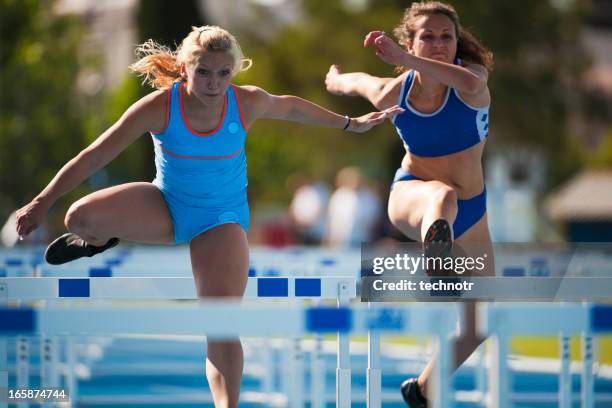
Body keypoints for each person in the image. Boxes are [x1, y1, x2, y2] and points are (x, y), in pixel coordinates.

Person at [14, 25, 403, 408]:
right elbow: (95, 155)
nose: (213, 83)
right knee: (78, 218)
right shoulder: (159, 107)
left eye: (222, 74)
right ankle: (98, 241)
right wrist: (43, 201)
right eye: (203, 72)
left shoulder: (246, 102)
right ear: (185, 68)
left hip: (221, 218)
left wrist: (351, 124)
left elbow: (293, 106)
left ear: (232, 74)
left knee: (219, 323)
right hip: (167, 205)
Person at [324, 2, 494, 406]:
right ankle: (436, 254)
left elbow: (468, 85)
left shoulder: (471, 78)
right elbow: (355, 82)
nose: (438, 44)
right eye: (427, 36)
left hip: (472, 212)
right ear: (410, 40)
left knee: (479, 323)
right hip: (413, 195)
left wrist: (405, 59)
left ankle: (422, 390)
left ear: (456, 43)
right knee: (442, 196)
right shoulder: (391, 92)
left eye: (445, 36)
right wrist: (334, 79)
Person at [325, 166, 382, 247]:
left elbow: (375, 220)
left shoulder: (369, 196)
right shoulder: (338, 196)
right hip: (339, 241)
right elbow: (331, 218)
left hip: (362, 239)